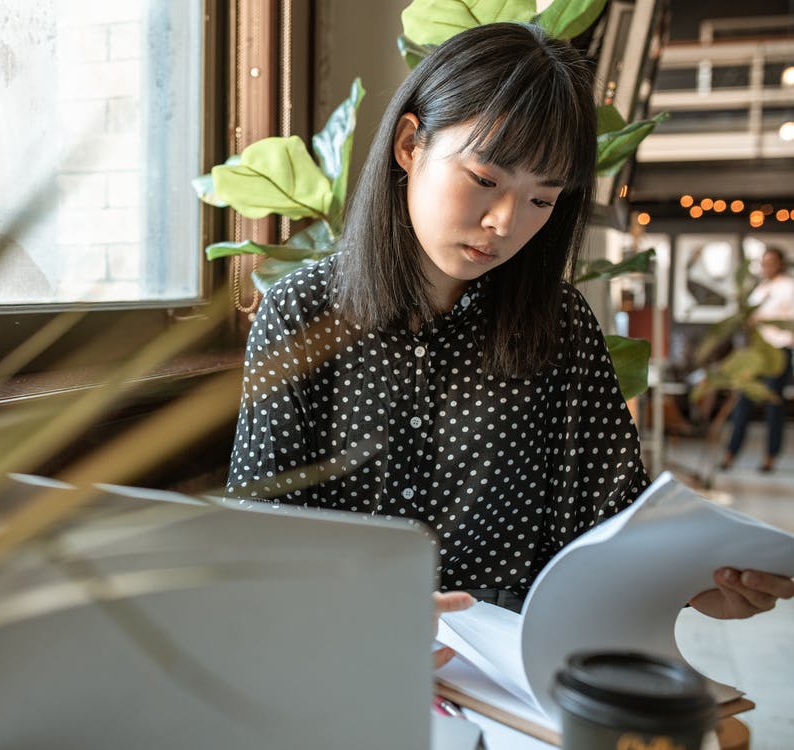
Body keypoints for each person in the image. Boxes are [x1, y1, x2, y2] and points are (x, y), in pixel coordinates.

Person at [224, 22, 793, 666]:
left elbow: (613, 523)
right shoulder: (303, 311)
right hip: (343, 662)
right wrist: (356, 610)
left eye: (542, 199)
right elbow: (261, 536)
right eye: (486, 179)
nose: (505, 222)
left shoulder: (560, 325)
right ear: (411, 144)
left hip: (516, 670)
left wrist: (697, 586)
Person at [720, 245, 794, 472]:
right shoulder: (759, 289)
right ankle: (731, 453)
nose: (766, 267)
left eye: (771, 262)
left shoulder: (789, 287)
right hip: (755, 354)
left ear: (780, 263)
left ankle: (770, 457)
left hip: (778, 352)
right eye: (764, 263)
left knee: (773, 406)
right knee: (743, 403)